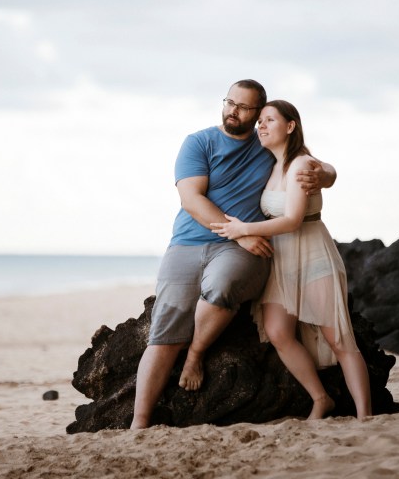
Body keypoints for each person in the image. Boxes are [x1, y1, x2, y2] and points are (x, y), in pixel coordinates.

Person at [130, 81, 336, 430]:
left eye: (243, 107)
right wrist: (238, 234)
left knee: (224, 284)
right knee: (166, 324)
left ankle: (195, 355)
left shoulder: (266, 144)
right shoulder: (199, 142)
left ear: (258, 115)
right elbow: (191, 200)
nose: (233, 111)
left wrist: (327, 174)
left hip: (243, 249)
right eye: (229, 102)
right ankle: (139, 421)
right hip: (190, 242)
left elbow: (314, 163)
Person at [210, 100, 372, 419]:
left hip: (313, 255)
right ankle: (320, 398)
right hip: (281, 260)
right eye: (260, 122)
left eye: (269, 120)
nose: (262, 126)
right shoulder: (270, 165)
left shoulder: (301, 164)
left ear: (290, 126)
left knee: (338, 338)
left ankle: (366, 414)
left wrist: (244, 229)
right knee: (278, 332)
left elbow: (294, 219)